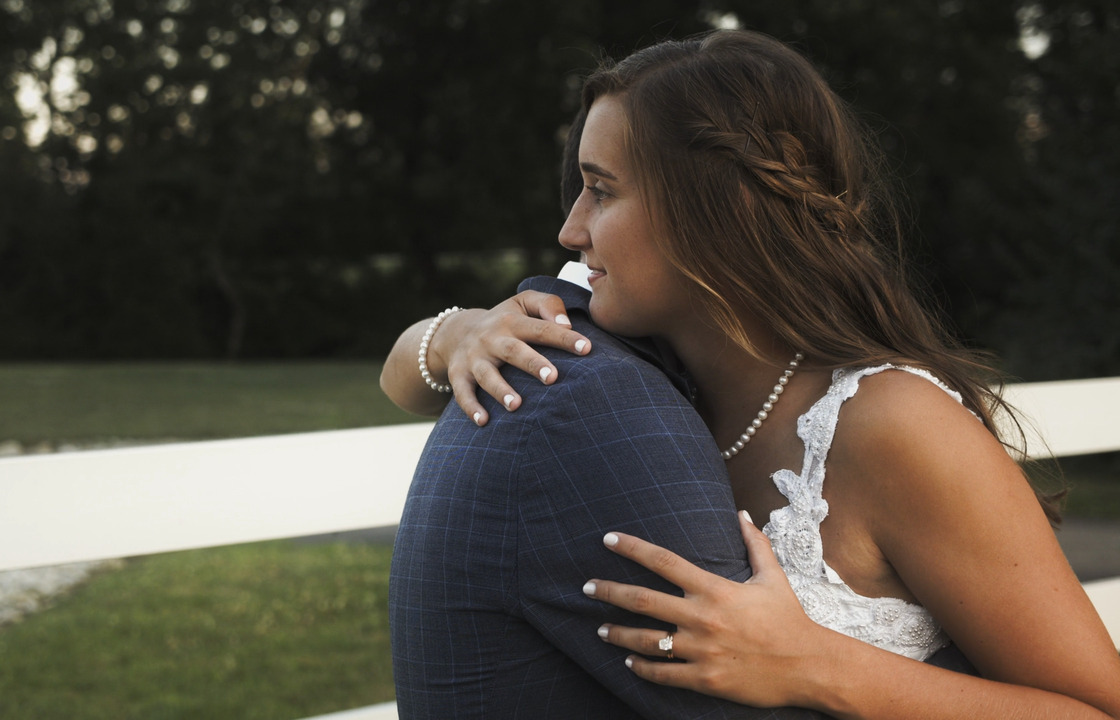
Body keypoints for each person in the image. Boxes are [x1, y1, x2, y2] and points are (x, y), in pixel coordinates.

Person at [384, 29, 1120, 719]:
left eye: (602, 190)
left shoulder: (895, 424)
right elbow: (401, 381)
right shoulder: (639, 375)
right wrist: (457, 332)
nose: (570, 229)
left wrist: (815, 665)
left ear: (718, 211)